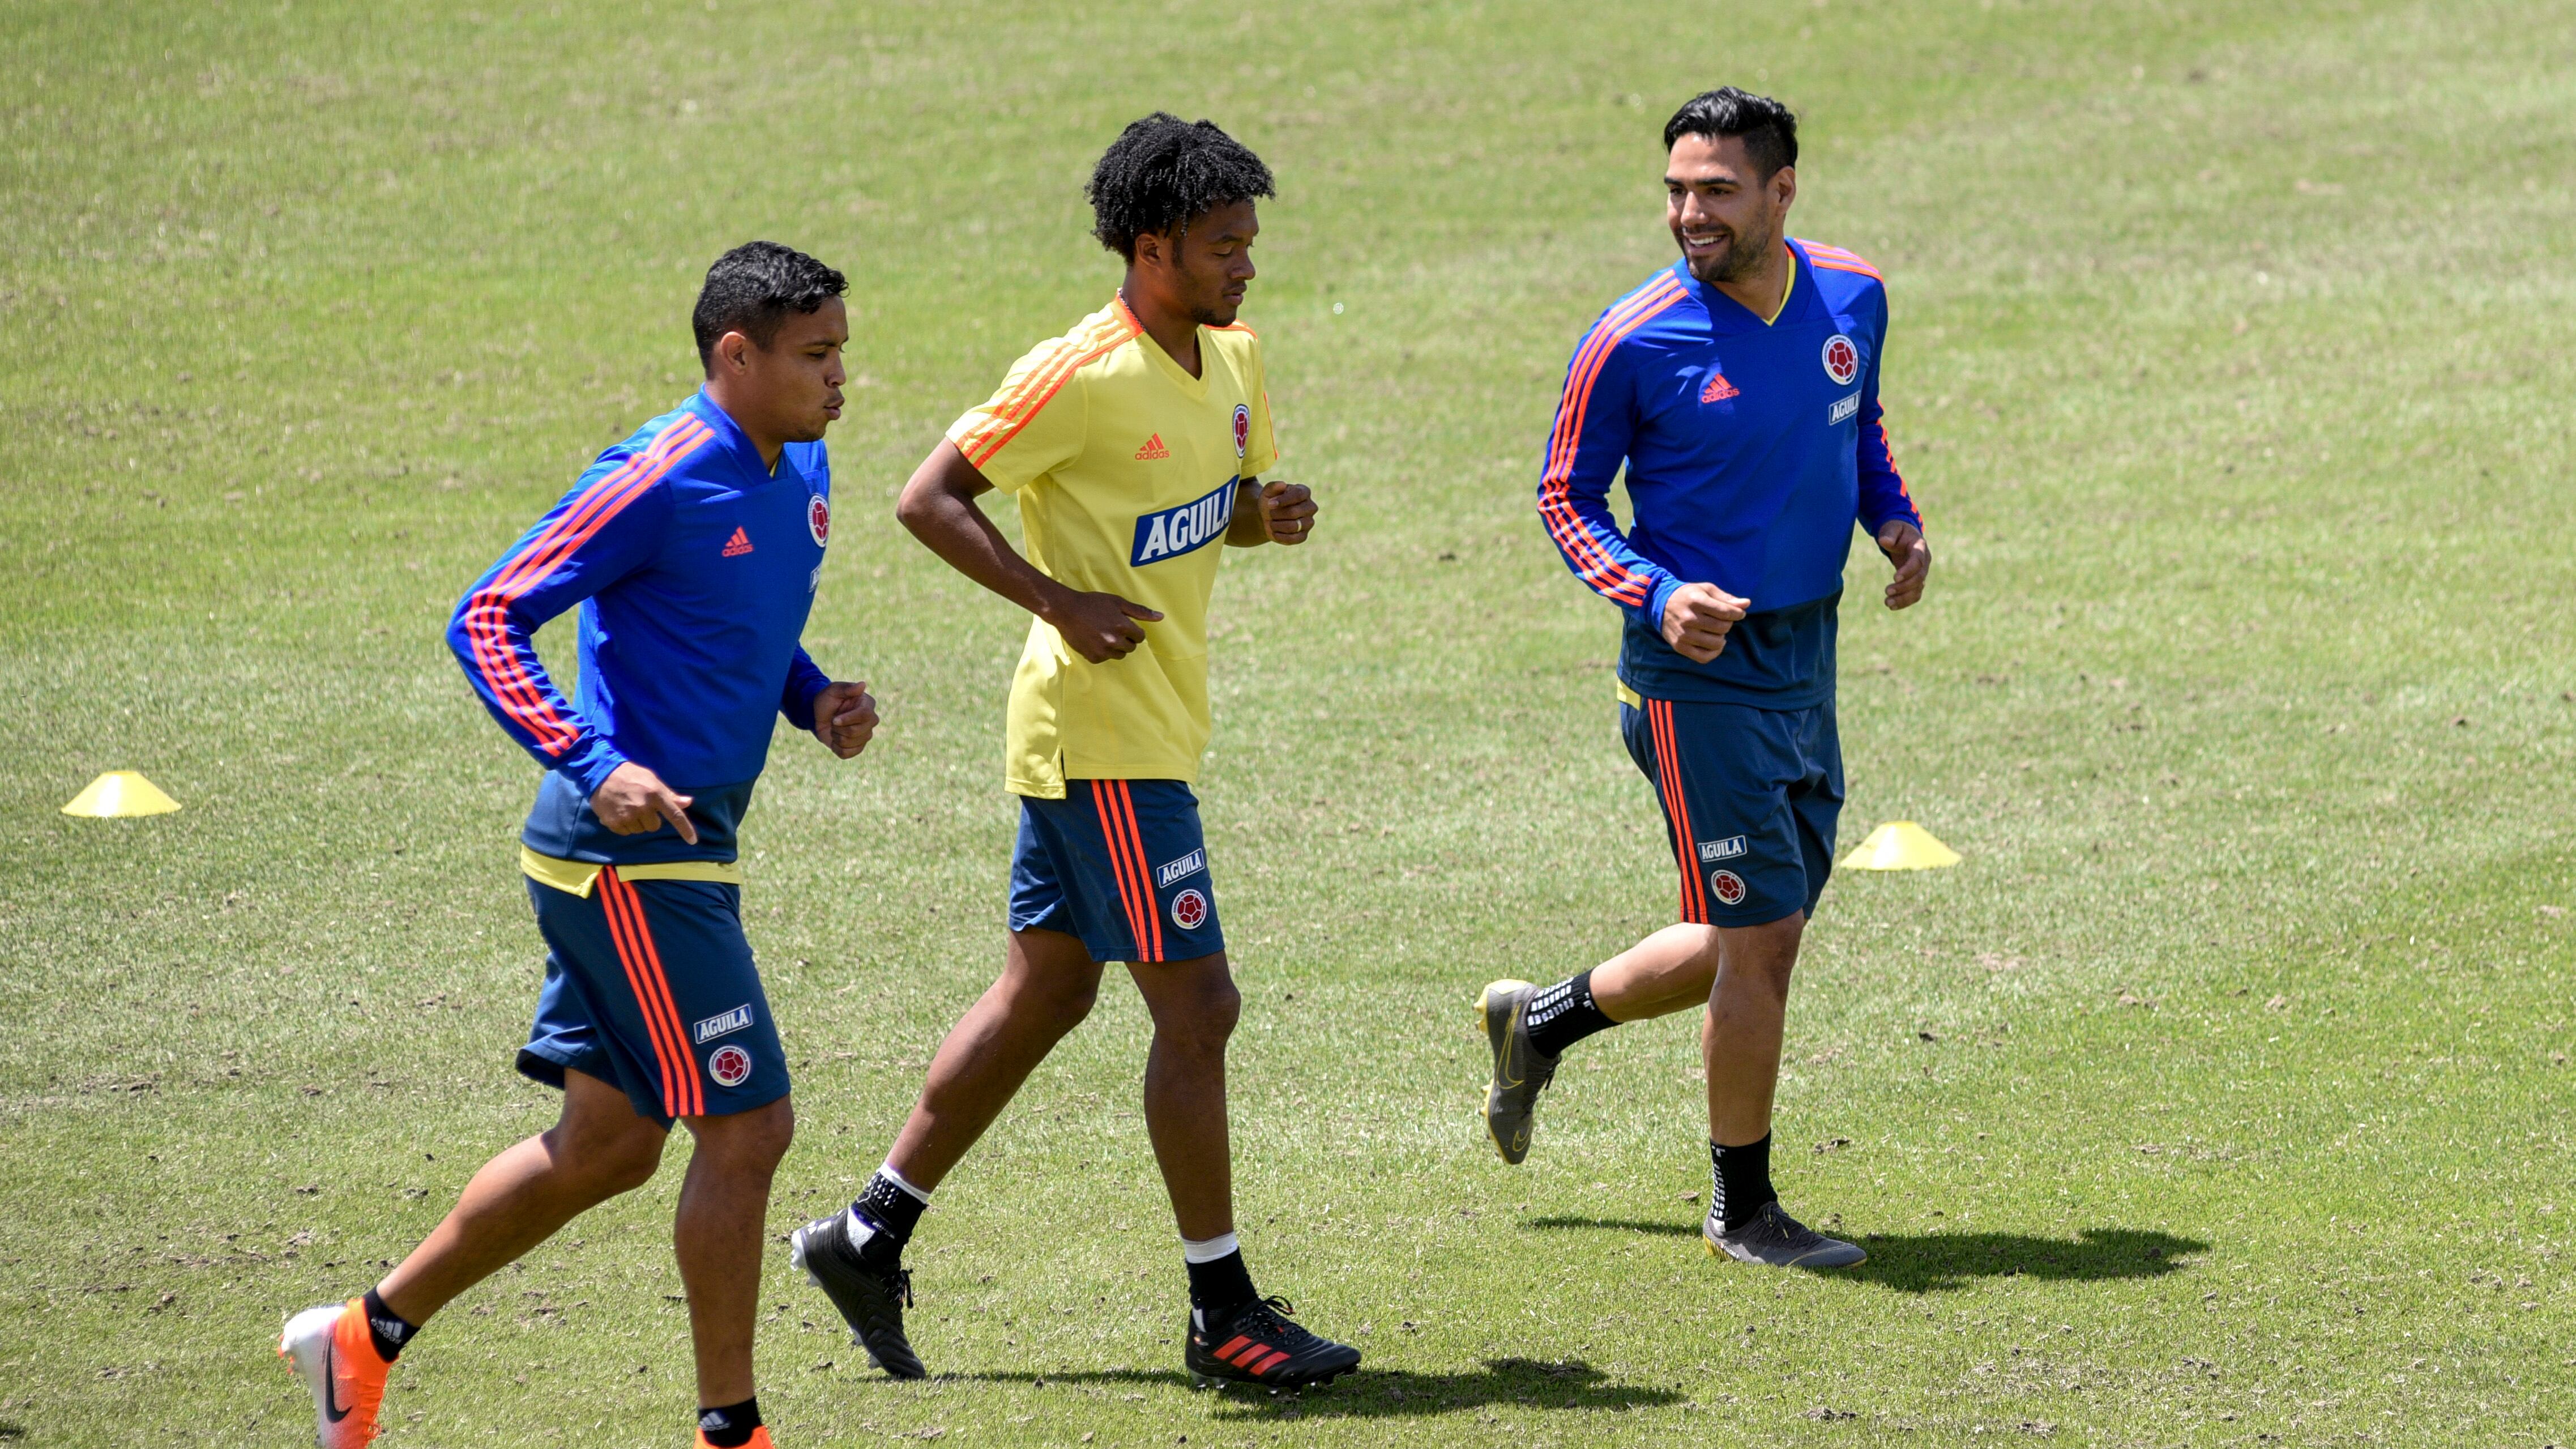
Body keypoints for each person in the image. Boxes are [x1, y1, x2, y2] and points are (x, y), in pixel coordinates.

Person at [789, 113, 1359, 1391]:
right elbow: (926, 496)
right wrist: (1058, 601)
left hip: (1159, 724)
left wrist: (1265, 519)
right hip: (1096, 739)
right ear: (1149, 246)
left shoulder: (1237, 360)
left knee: (1047, 990)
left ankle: (865, 1236)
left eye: (1250, 243)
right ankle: (1224, 1311)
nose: (1245, 266)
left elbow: (1219, 512)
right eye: (1222, 246)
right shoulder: (1074, 371)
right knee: (1198, 1007)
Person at [277, 241, 879, 1449]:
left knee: (606, 1144)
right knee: (748, 1125)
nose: (838, 376)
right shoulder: (654, 475)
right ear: (735, 354)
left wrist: (809, 699)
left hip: (689, 843)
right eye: (816, 355)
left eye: (842, 352)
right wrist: (592, 763)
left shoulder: (801, 457)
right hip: (624, 859)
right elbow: (489, 615)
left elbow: (738, 621)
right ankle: (732, 1431)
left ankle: (361, 1334)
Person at [1482, 88, 1932, 1269]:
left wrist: (1894, 518)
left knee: (1750, 928)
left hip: (1808, 652)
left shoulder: (1853, 293)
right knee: (1764, 932)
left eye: (1717, 191)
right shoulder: (1630, 338)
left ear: (1781, 190)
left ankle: (1540, 1021)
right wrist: (1653, 591)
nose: (1691, 213)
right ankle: (1742, 1207)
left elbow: (1855, 421)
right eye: (1677, 190)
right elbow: (1564, 500)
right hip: (1696, 678)